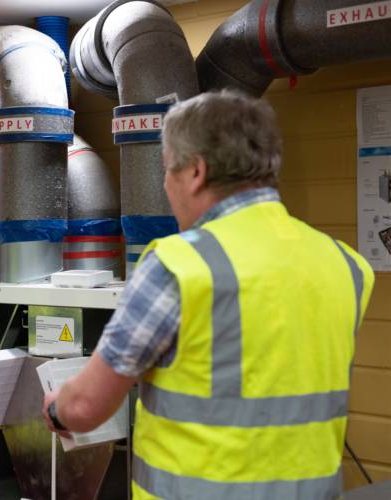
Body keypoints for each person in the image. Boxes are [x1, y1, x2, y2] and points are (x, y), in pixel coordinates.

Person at [42, 90, 374, 499]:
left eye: (168, 170)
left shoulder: (178, 266)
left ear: (196, 172)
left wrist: (57, 407)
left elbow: (84, 408)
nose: (166, 185)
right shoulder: (345, 264)